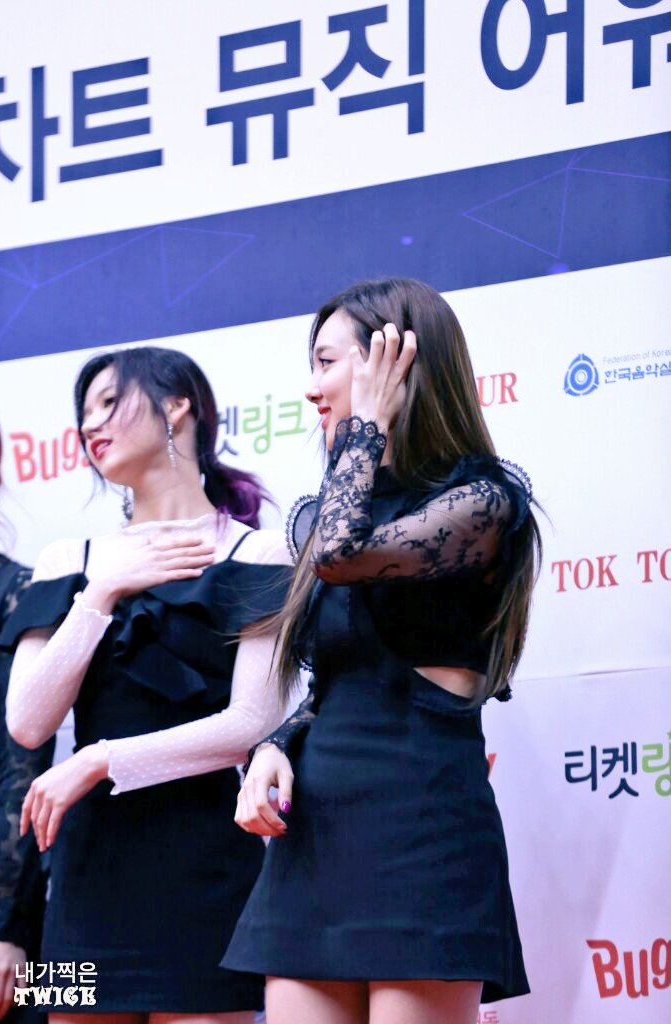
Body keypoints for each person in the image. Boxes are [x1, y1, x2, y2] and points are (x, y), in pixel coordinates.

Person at [222, 278, 542, 1024]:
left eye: (328, 362)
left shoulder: (481, 502)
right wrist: (276, 743)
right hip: (316, 830)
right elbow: (339, 681)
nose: (312, 389)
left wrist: (365, 427)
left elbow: (343, 556)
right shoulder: (325, 514)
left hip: (421, 826)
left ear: (393, 364)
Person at [0, 347, 293, 1023]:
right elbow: (27, 722)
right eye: (84, 413)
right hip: (83, 877)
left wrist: (100, 760)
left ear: (177, 406)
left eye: (109, 401)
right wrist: (101, 593)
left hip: (208, 868)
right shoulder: (68, 559)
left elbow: (251, 723)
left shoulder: (258, 552)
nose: (90, 424)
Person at [0, 405, 54, 1024]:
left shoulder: (20, 593)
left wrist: (1, 927)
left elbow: (22, 770)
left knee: (64, 992)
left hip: (2, 924)